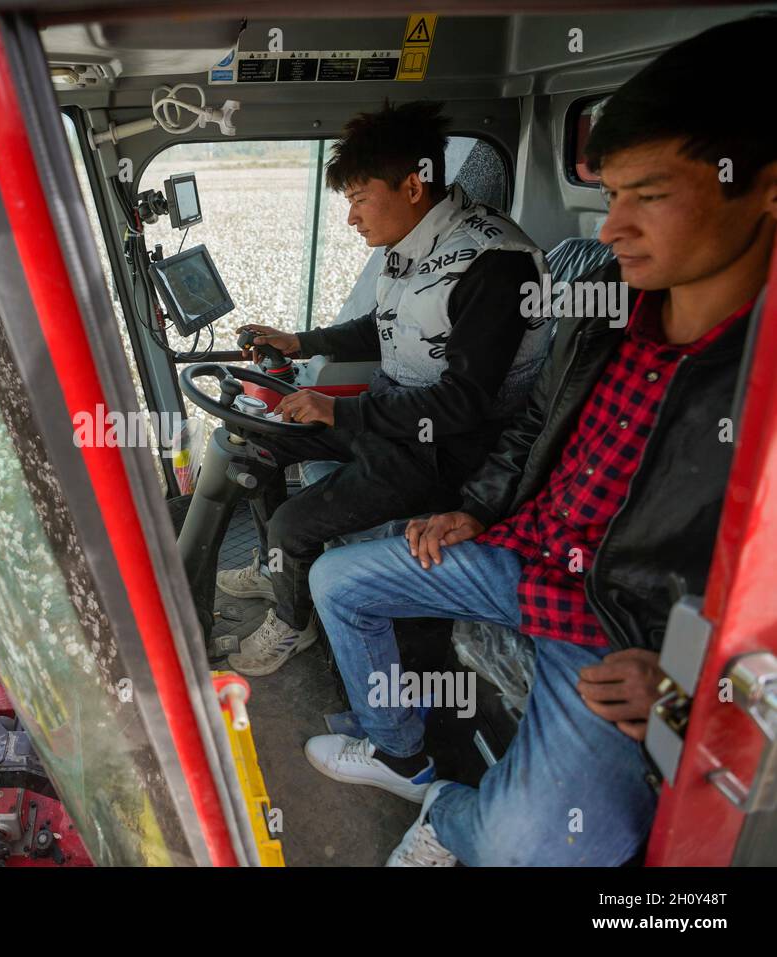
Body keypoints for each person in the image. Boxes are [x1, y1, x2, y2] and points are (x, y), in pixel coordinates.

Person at [304, 17, 777, 865]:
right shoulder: (607, 301)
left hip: (623, 626)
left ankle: (447, 810)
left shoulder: (760, 377)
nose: (610, 228)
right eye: (612, 191)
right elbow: (534, 422)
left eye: (651, 195)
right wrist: (478, 511)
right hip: (526, 547)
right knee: (336, 576)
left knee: (525, 847)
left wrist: (695, 690)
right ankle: (403, 752)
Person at [219, 100, 551, 676]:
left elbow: (465, 402)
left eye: (357, 199)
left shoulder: (497, 263)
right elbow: (388, 326)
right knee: (260, 441)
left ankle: (292, 625)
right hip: (396, 415)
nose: (351, 219)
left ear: (413, 185)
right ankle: (277, 565)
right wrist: (302, 340)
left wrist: (340, 413)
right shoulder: (421, 244)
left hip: (447, 450)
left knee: (293, 524)